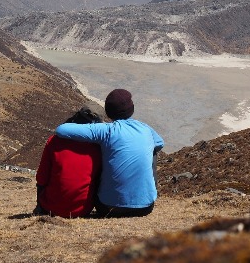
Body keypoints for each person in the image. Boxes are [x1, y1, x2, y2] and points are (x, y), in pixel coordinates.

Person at [55, 89, 164, 218]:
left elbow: (61, 129)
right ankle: (148, 191)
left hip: (108, 208)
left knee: (101, 147)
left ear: (108, 111)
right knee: (152, 151)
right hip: (145, 207)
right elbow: (159, 143)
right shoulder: (145, 129)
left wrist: (96, 127)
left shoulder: (106, 131)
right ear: (132, 109)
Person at [34, 107, 103, 218]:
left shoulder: (54, 141)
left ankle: (39, 208)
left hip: (50, 207)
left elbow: (41, 178)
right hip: (83, 210)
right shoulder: (97, 146)